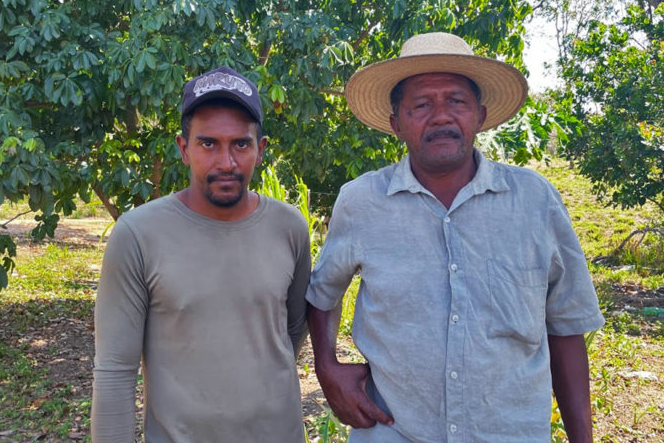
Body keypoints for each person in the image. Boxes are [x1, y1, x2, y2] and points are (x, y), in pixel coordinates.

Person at [306, 32, 605, 443]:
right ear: (396, 123)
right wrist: (326, 367)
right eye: (422, 105)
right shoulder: (361, 202)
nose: (441, 116)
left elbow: (567, 327)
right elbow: (322, 293)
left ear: (480, 115)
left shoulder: (535, 201)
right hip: (395, 432)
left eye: (456, 102)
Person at [91, 66, 311, 443]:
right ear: (183, 148)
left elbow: (293, 328)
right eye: (208, 143)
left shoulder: (289, 227)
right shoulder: (138, 235)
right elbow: (115, 369)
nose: (226, 162)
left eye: (240, 144)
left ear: (260, 150)